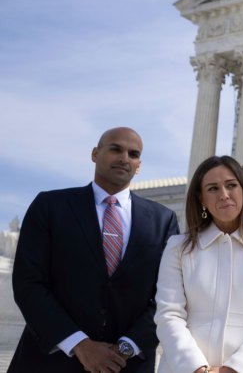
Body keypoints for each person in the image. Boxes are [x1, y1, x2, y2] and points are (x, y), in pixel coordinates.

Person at [10, 127, 179, 373]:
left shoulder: (163, 220)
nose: (124, 158)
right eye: (115, 149)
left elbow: (168, 295)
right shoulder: (50, 206)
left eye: (133, 154)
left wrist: (126, 347)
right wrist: (79, 344)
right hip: (49, 362)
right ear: (94, 154)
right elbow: (29, 283)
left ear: (139, 165)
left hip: (126, 365)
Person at [155, 156, 243, 373]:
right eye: (213, 188)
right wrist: (196, 368)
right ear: (201, 198)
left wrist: (234, 369)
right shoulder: (178, 248)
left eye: (231, 185)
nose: (224, 194)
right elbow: (169, 314)